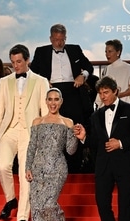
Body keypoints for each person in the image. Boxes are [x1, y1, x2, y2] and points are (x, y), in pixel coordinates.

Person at [73, 76, 130, 221]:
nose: (103, 96)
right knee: (102, 204)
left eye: (106, 92)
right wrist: (83, 137)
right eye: (100, 93)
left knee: (124, 206)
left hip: (125, 165)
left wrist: (120, 143)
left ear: (115, 91)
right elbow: (95, 143)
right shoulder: (96, 116)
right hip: (103, 166)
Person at [0, 44, 49, 221]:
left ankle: (23, 216)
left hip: (30, 132)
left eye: (19, 62)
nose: (16, 66)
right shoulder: (5, 82)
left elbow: (45, 111)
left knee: (26, 174)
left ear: (27, 60)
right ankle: (11, 200)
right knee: (3, 165)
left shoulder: (41, 81)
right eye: (13, 62)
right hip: (9, 130)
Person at [25, 88, 84, 221]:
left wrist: (77, 136)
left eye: (56, 99)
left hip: (57, 170)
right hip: (37, 170)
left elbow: (70, 150)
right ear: (45, 100)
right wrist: (27, 167)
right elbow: (31, 146)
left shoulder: (67, 122)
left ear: (61, 101)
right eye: (50, 99)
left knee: (48, 205)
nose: (53, 103)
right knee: (36, 210)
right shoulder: (37, 122)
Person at [31, 23, 94, 173]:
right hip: (52, 92)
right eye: (56, 39)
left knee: (74, 127)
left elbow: (89, 67)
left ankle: (76, 166)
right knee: (54, 127)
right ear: (50, 38)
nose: (59, 43)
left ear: (65, 38)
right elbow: (33, 73)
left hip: (73, 91)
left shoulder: (75, 49)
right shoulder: (41, 52)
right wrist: (43, 80)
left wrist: (82, 76)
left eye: (62, 40)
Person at [96, 39, 130, 106]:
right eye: (106, 52)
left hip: (124, 103)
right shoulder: (107, 69)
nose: (107, 54)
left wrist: (118, 95)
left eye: (110, 51)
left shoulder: (127, 67)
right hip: (109, 104)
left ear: (118, 52)